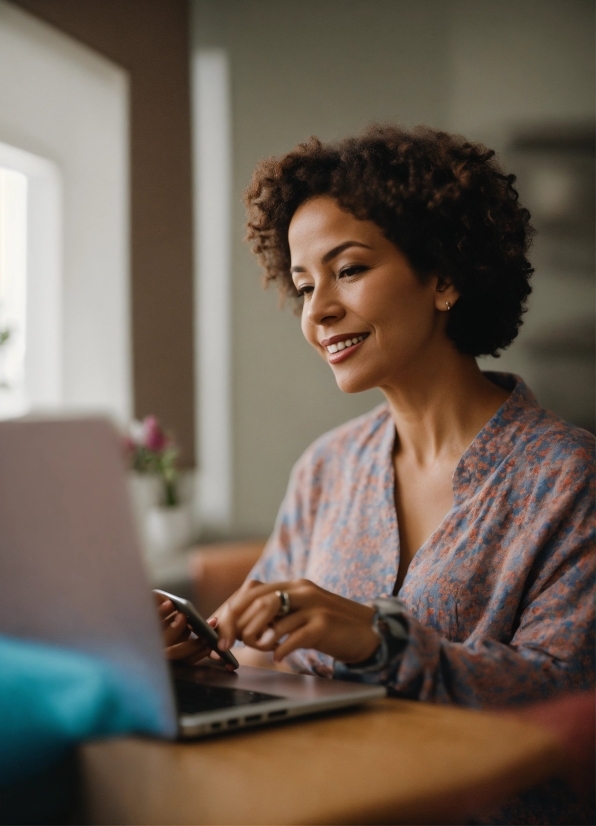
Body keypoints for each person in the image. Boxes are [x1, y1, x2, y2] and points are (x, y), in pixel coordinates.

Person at [163, 125, 594, 708]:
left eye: (349, 271)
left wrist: (379, 644)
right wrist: (201, 651)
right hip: (318, 788)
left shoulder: (567, 475)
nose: (318, 311)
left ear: (444, 276)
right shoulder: (327, 467)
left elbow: (564, 696)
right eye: (304, 285)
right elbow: (256, 652)